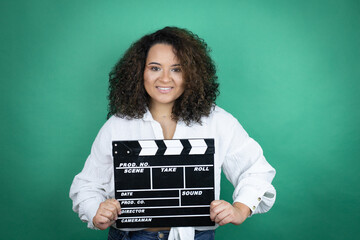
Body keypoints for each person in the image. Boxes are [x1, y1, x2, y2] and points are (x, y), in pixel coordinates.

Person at [69, 26, 276, 240]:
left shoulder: (218, 122)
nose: (165, 78)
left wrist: (240, 209)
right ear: (139, 72)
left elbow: (256, 170)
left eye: (176, 69)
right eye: (155, 68)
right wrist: (97, 212)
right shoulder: (118, 125)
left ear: (191, 74)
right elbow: (87, 184)